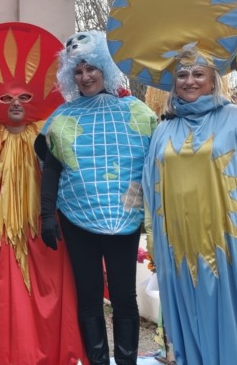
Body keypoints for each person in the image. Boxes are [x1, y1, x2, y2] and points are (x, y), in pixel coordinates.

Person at [142, 46, 237, 365]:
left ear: (213, 80)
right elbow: (150, 187)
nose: (189, 81)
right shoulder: (164, 128)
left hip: (231, 245)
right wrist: (152, 236)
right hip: (179, 248)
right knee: (190, 320)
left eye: (198, 74)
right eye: (182, 75)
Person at [0, 22, 87, 364]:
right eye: (7, 97)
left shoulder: (46, 132)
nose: (16, 103)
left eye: (24, 97)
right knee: (0, 292)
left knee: (47, 292)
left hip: (41, 230)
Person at [37, 31, 157, 365]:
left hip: (125, 216)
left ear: (105, 67)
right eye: (77, 71)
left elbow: (153, 165)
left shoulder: (137, 111)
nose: (85, 76)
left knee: (123, 295)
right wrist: (47, 215)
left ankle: (127, 361)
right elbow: (52, 168)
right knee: (89, 297)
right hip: (76, 217)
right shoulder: (63, 118)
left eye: (91, 68)